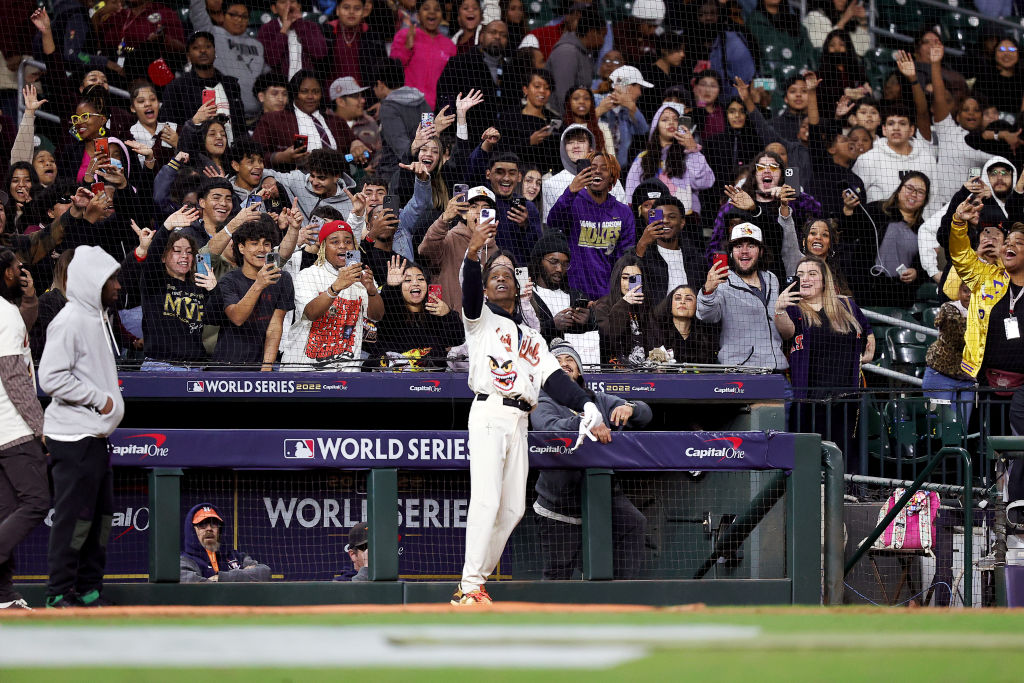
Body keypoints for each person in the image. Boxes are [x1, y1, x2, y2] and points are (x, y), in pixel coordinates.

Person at [451, 211, 606, 605]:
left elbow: (556, 381)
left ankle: (476, 584)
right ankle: (469, 587)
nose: (500, 276)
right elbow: (468, 291)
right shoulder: (480, 319)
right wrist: (473, 253)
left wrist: (588, 405)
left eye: (507, 273)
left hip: (520, 418)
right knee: (486, 499)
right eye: (492, 275)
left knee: (513, 508)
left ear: (520, 287)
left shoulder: (533, 337)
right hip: (489, 411)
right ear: (487, 290)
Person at [38, 246, 125, 608]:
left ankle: (90, 590)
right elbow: (50, 377)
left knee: (100, 521)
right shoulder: (70, 320)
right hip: (73, 438)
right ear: (93, 282)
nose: (118, 286)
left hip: (95, 438)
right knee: (74, 521)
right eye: (112, 280)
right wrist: (98, 399)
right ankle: (60, 592)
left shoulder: (97, 317)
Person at [532, 339, 649, 580]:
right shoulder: (542, 399)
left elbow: (645, 414)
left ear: (580, 370)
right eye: (557, 361)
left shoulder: (599, 400)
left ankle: (618, 600)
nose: (564, 364)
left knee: (633, 523)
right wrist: (587, 422)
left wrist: (631, 408)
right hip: (559, 503)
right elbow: (547, 428)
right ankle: (545, 617)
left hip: (601, 497)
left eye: (569, 360)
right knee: (557, 576)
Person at [774, 256, 873, 456]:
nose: (805, 279)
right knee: (811, 458)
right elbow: (786, 331)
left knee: (844, 456)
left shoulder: (846, 305)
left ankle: (846, 488)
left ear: (825, 280)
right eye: (800, 274)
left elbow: (868, 333)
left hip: (846, 400)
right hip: (810, 402)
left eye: (812, 274)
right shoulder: (794, 309)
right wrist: (779, 309)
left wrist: (867, 354)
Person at [0, 250, 48, 610]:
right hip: (13, 429)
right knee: (36, 501)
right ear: (5, 275)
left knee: (5, 513)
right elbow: (15, 379)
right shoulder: (6, 314)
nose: (23, 273)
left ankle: (4, 596)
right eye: (18, 269)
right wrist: (40, 427)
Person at [123, 206, 219, 369]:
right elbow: (152, 254)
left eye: (189, 252)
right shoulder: (154, 281)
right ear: (163, 257)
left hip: (196, 368)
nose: (184, 256)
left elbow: (215, 318)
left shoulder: (198, 285)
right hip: (162, 366)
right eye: (177, 251)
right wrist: (167, 226)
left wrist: (214, 290)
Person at [282, 220, 382, 370]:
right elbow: (310, 313)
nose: (342, 246)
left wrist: (372, 291)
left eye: (348, 242)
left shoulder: (361, 277)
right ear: (323, 248)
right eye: (334, 242)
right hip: (303, 368)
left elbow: (377, 316)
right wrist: (336, 287)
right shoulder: (309, 275)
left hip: (345, 372)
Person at [950, 198, 1024, 392]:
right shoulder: (985, 276)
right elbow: (961, 256)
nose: (1010, 245)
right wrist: (958, 222)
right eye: (1007, 242)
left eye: (1019, 243)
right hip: (983, 380)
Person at [546, 152, 637, 299]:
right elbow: (553, 223)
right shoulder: (573, 202)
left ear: (612, 177)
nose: (598, 171)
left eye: (604, 168)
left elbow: (626, 258)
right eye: (593, 167)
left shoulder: (624, 212)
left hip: (608, 298)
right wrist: (570, 191)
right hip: (573, 294)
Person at [698, 222, 788, 371]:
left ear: (761, 251)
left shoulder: (772, 279)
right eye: (738, 246)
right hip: (740, 371)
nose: (744, 251)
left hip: (776, 369)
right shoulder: (722, 282)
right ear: (731, 252)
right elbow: (707, 316)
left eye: (751, 246)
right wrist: (708, 291)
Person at [211, 219, 294, 370]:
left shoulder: (282, 279)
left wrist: (267, 367)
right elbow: (237, 317)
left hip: (262, 364)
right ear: (241, 248)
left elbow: (275, 326)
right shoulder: (228, 281)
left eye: (266, 244)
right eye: (254, 243)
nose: (261, 249)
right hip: (227, 365)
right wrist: (259, 284)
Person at [839, 171, 928, 307]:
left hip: (898, 296)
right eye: (909, 188)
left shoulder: (924, 229)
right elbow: (849, 234)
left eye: (920, 192)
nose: (914, 194)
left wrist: (917, 273)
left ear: (925, 199)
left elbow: (926, 265)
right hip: (865, 290)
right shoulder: (875, 210)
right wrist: (848, 210)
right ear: (899, 190)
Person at [624, 103, 715, 217]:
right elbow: (631, 194)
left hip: (686, 220)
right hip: (652, 219)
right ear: (656, 126)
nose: (671, 123)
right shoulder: (643, 158)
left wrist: (692, 150)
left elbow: (705, 183)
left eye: (675, 119)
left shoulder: (689, 154)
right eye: (665, 119)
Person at [417, 186, 498, 312]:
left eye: (485, 209)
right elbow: (425, 252)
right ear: (464, 215)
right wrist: (444, 219)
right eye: (474, 207)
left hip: (484, 327)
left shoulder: (496, 251)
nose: (479, 212)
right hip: (449, 324)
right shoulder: (450, 239)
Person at [253, 70, 356, 168]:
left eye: (316, 92)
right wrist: (280, 157)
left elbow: (365, 155)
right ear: (295, 93)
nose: (311, 96)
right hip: (292, 182)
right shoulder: (273, 120)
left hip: (338, 183)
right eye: (304, 91)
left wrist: (356, 145)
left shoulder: (337, 122)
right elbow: (253, 156)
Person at [374, 257, 462, 370]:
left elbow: (457, 340)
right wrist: (391, 287)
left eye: (420, 279)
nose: (415, 283)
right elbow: (387, 305)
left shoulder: (435, 314)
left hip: (433, 380)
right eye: (407, 280)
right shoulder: (391, 313)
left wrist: (448, 314)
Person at [161, 32, 247, 145]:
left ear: (215, 51)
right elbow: (168, 129)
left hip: (232, 156)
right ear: (188, 56)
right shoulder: (177, 88)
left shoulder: (231, 85)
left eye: (208, 46)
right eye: (196, 47)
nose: (203, 51)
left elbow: (241, 126)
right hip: (194, 156)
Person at [528, 230, 598, 362]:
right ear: (539, 261)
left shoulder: (577, 296)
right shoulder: (526, 296)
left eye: (565, 264)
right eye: (553, 261)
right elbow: (520, 333)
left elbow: (595, 337)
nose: (560, 269)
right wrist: (552, 325)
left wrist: (588, 321)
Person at [189, 0, 266, 118]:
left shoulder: (258, 45)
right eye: (233, 14)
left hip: (255, 116)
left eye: (244, 16)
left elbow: (266, 77)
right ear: (222, 16)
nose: (239, 19)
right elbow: (197, 12)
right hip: (223, 115)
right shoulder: (212, 35)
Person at [436, 20, 511, 141]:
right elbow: (446, 102)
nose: (497, 37)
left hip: (501, 140)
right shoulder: (458, 64)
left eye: (503, 35)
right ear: (481, 36)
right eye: (493, 32)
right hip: (465, 140)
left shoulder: (510, 70)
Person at [632, 196, 706, 300]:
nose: (665, 221)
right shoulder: (642, 254)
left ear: (682, 223)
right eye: (660, 217)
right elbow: (631, 286)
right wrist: (642, 245)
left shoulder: (696, 260)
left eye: (672, 217)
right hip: (652, 315)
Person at [923, 282, 975, 425]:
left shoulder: (987, 311)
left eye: (974, 291)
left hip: (968, 378)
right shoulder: (948, 309)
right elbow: (960, 337)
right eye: (965, 291)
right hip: (941, 373)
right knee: (940, 428)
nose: (969, 295)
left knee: (961, 431)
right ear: (959, 292)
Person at [389, 0, 457, 109]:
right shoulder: (404, 35)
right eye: (426, 8)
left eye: (437, 9)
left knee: (426, 126)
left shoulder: (450, 46)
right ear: (418, 14)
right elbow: (392, 71)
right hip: (405, 106)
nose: (432, 12)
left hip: (433, 109)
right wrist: (407, 48)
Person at [374, 58, 433, 181]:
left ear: (380, 84)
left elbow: (401, 148)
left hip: (397, 174)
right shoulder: (422, 100)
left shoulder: (388, 107)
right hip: (426, 168)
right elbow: (430, 134)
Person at [180, 504, 271, 583]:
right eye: (202, 525)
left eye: (214, 524)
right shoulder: (185, 561)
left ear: (220, 529)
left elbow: (264, 572)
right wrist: (243, 577)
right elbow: (198, 587)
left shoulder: (236, 556)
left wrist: (220, 578)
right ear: (192, 530)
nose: (209, 529)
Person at [592, 255, 650, 367]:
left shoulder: (645, 306)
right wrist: (624, 304)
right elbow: (609, 336)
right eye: (625, 278)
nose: (629, 283)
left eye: (635, 278)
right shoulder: (603, 305)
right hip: (614, 371)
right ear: (617, 279)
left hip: (644, 371)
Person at [546, 6, 606, 107]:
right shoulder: (567, 52)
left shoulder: (583, 53)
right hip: (559, 117)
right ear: (592, 32)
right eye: (602, 36)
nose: (603, 41)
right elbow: (563, 94)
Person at [647, 284, 718, 365]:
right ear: (670, 304)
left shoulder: (706, 336)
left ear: (697, 306)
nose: (682, 302)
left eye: (688, 299)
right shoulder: (656, 333)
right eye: (678, 298)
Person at [257, 0, 328, 78]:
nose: (289, 6)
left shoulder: (311, 26)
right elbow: (272, 60)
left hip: (307, 84)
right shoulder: (267, 29)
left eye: (292, 1)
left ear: (299, 6)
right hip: (279, 84)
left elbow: (320, 54)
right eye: (283, 2)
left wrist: (300, 25)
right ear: (274, 9)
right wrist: (284, 30)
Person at [600, 65, 651, 164]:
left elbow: (643, 131)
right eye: (639, 88)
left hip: (621, 172)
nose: (640, 93)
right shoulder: (597, 100)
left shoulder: (630, 112)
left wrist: (631, 106)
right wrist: (600, 110)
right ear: (629, 87)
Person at [804, 0, 869, 56]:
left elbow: (862, 51)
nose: (843, 0)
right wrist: (844, 19)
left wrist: (862, 22)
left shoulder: (847, 21)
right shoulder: (814, 16)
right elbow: (822, 48)